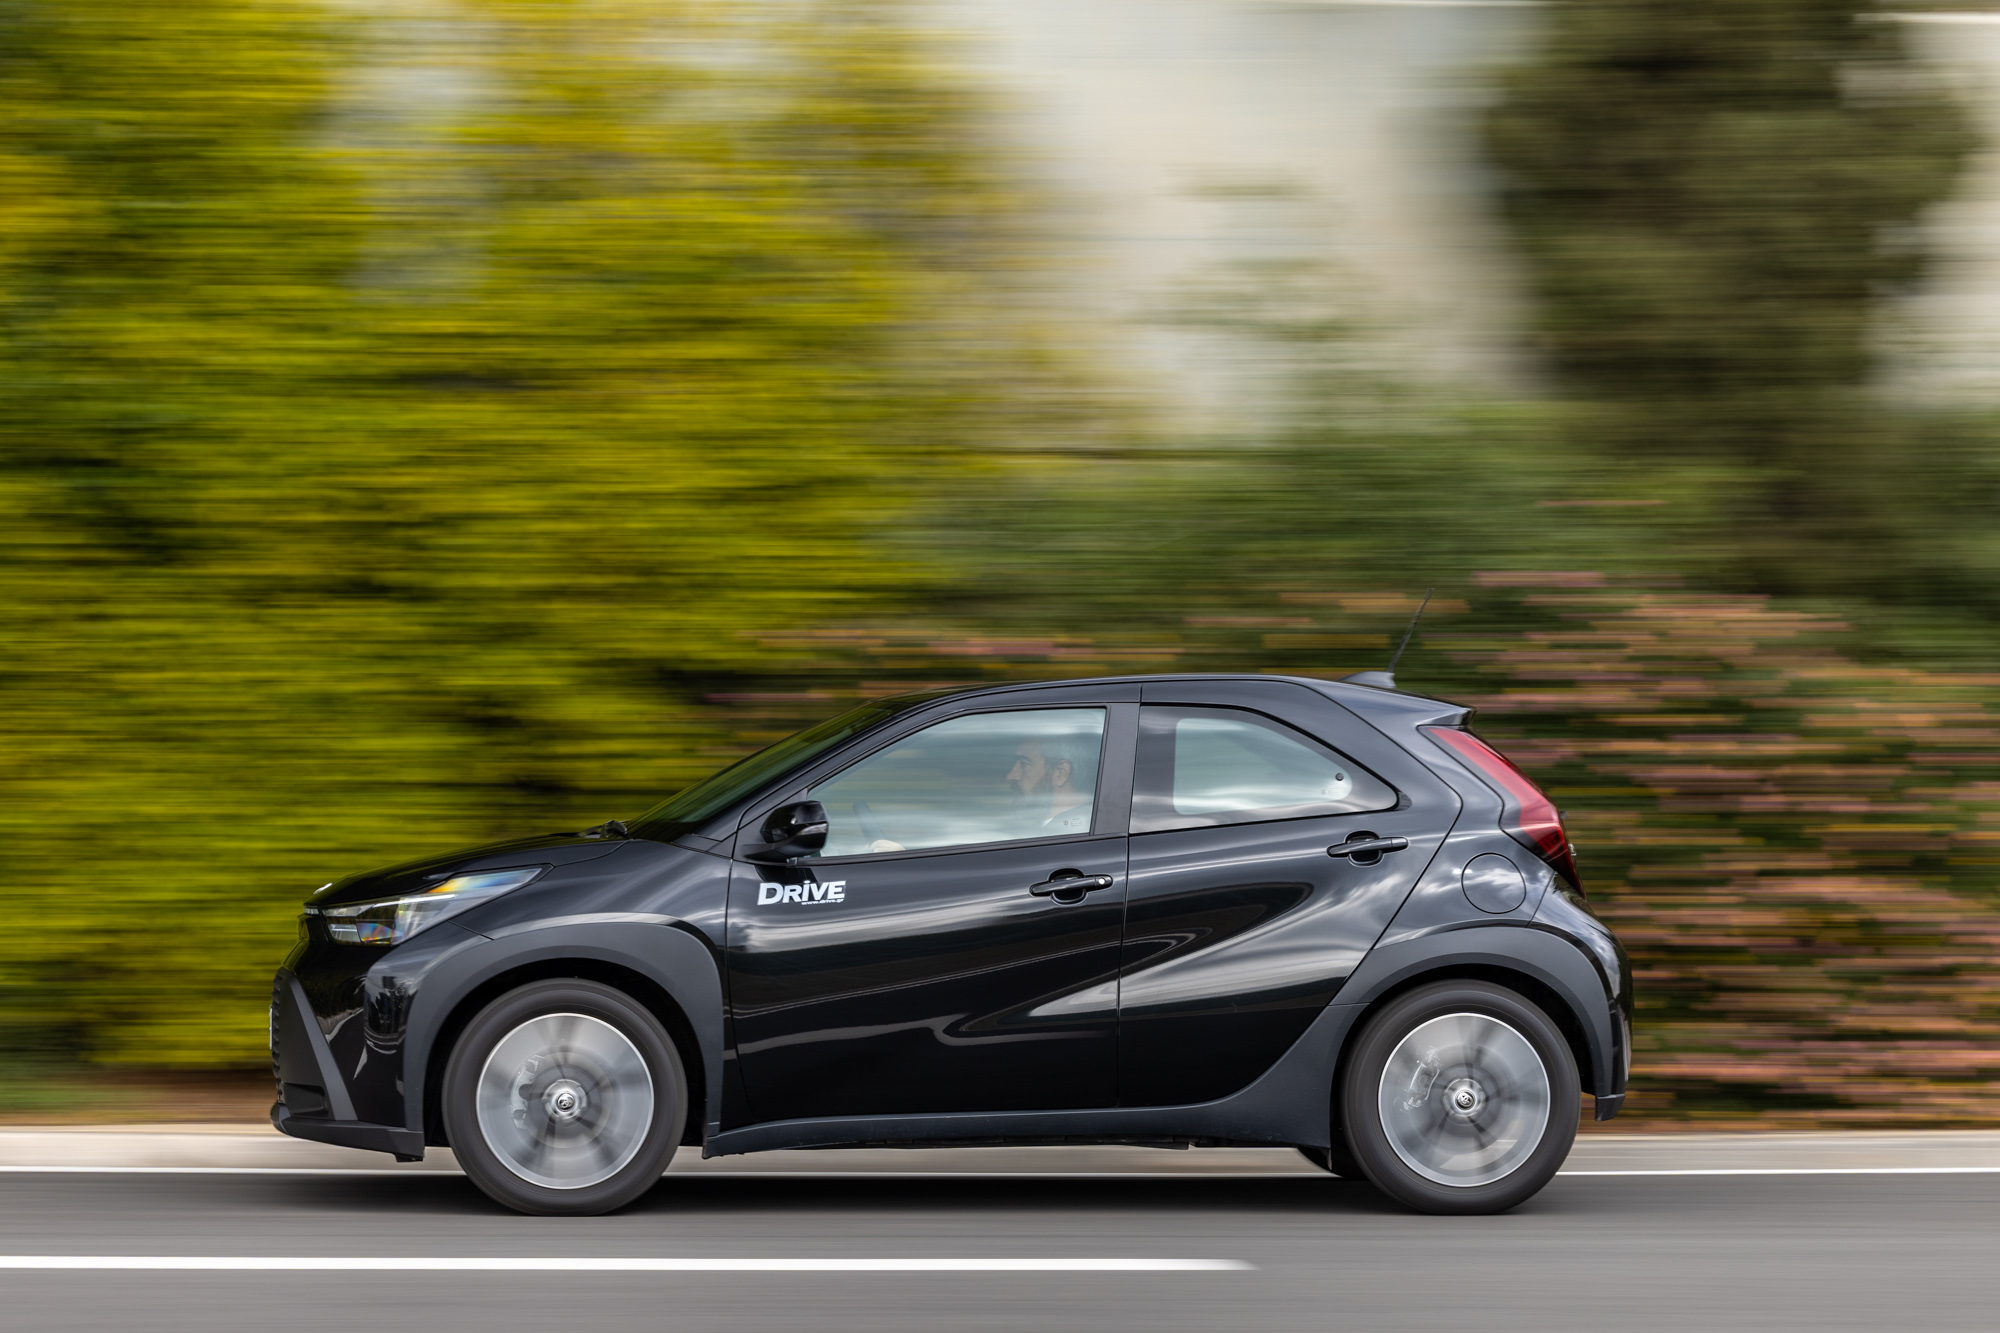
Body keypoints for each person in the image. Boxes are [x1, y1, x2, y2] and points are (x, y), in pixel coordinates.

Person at [1007, 731, 1095, 835]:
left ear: (1060, 773)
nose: (1010, 776)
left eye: (1024, 764)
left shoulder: (1064, 838)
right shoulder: (1084, 830)